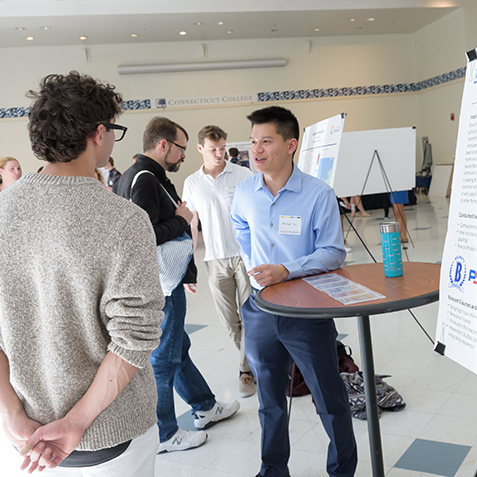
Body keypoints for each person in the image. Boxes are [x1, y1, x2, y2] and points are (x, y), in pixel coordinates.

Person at [0, 71, 164, 475]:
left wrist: (12, 415)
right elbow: (133, 336)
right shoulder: (124, 220)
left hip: (25, 437)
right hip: (111, 434)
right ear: (98, 132)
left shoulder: (3, 212)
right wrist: (75, 423)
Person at [231, 106, 357, 477]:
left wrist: (286, 270)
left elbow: (333, 252)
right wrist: (257, 266)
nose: (256, 149)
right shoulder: (244, 192)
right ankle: (272, 471)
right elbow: (241, 228)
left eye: (266, 141)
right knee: (270, 401)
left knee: (328, 399)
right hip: (259, 310)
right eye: (253, 141)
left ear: (291, 145)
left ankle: (342, 472)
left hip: (306, 311)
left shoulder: (318, 194)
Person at [114, 117, 239, 454]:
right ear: (163, 145)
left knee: (177, 348)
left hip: (165, 282)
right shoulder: (144, 180)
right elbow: (144, 236)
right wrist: (181, 220)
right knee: (164, 359)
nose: (184, 155)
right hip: (161, 286)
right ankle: (166, 434)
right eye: (182, 148)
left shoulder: (141, 176)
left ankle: (205, 405)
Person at [183, 125, 256, 398]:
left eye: (222, 148)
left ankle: (245, 372)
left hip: (245, 257)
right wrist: (188, 266)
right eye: (213, 149)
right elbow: (191, 225)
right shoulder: (192, 183)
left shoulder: (242, 175)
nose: (219, 153)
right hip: (214, 259)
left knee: (250, 316)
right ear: (200, 148)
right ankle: (252, 360)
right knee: (230, 322)